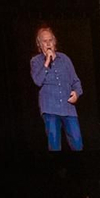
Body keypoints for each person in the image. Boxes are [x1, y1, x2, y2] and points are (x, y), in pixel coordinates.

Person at [29, 23, 84, 152]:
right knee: (54, 146)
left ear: (54, 42)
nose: (48, 44)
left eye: (50, 40)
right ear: (39, 45)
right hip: (50, 109)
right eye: (44, 41)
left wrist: (77, 93)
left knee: (77, 143)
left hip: (68, 108)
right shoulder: (36, 61)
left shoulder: (65, 59)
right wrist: (47, 62)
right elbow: (37, 81)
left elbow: (76, 81)